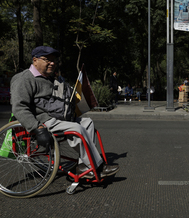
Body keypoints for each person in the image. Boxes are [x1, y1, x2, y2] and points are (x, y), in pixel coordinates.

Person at [10, 46, 119, 179]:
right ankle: (96, 165)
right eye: (47, 60)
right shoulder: (23, 79)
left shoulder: (49, 78)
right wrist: (36, 127)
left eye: (54, 60)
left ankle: (84, 166)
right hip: (42, 120)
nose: (52, 63)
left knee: (87, 123)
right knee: (77, 128)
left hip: (57, 116)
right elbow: (19, 107)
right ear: (35, 60)